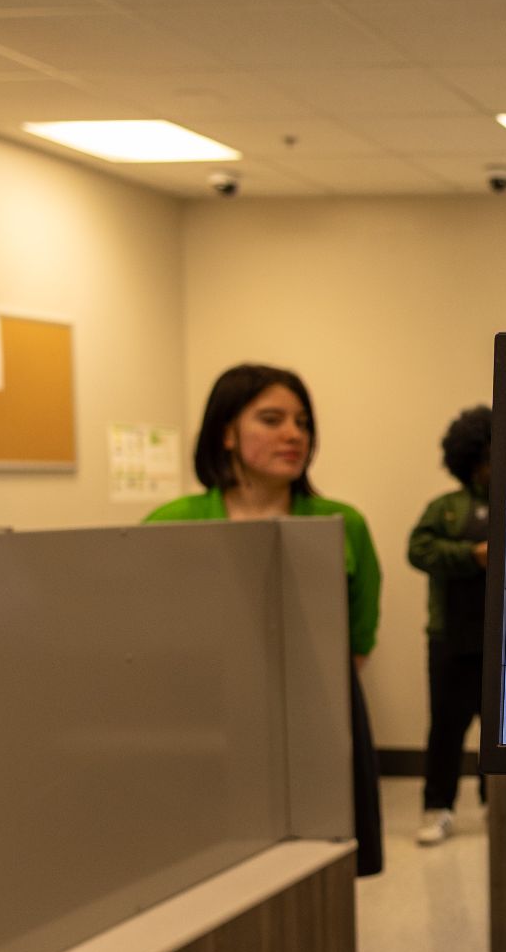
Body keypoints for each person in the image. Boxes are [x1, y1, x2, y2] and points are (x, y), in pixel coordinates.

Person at [146, 364, 384, 877]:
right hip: (202, 720)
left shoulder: (345, 524)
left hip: (318, 715)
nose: (294, 435)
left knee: (320, 866)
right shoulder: (170, 524)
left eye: (302, 422)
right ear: (227, 433)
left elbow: (360, 635)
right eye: (272, 419)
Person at [407, 406, 493, 845]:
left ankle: (495, 803)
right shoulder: (444, 509)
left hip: (503, 640)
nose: (491, 467)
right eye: (483, 458)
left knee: (498, 730)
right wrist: (469, 556)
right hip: (449, 638)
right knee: (445, 726)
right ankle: (437, 807)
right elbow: (418, 551)